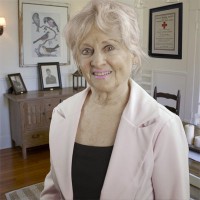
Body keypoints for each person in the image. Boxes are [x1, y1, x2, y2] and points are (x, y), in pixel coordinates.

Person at [40, 0, 189, 199]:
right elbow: (54, 190)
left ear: (134, 54)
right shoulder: (62, 114)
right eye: (86, 51)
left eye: (109, 47)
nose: (98, 61)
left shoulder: (163, 125)